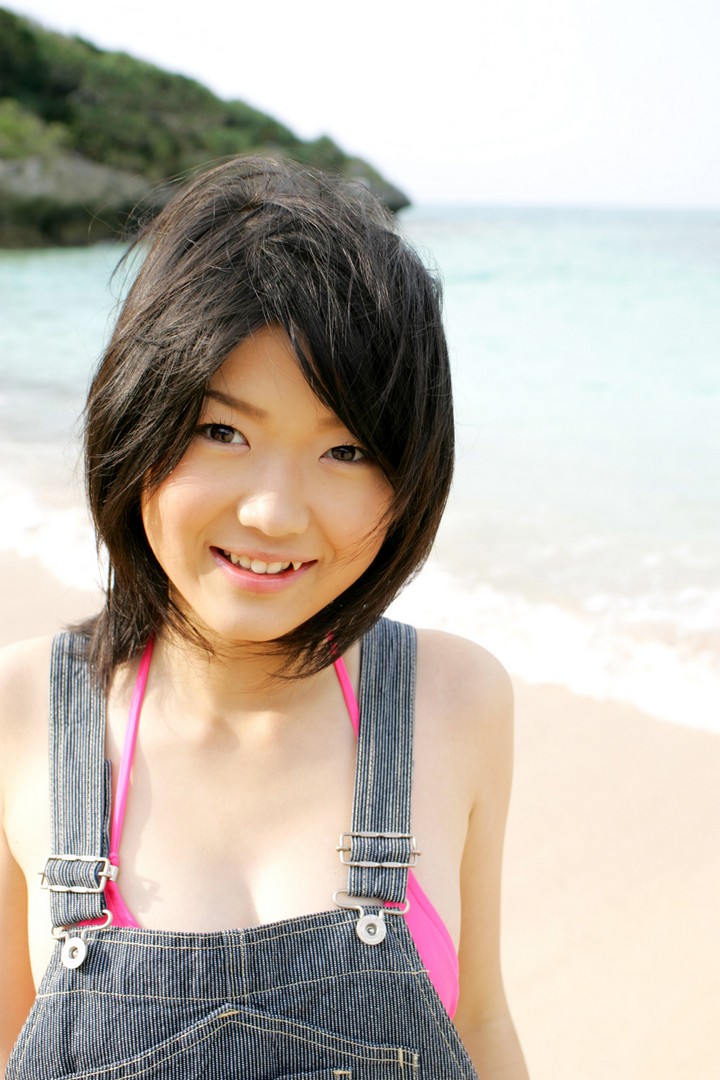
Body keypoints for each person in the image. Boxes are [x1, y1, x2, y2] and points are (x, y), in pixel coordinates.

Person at [0, 156, 528, 1078]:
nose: (276, 513)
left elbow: (479, 1021)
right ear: (135, 417)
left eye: (346, 449)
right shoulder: (21, 712)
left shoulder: (456, 699)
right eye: (223, 431)